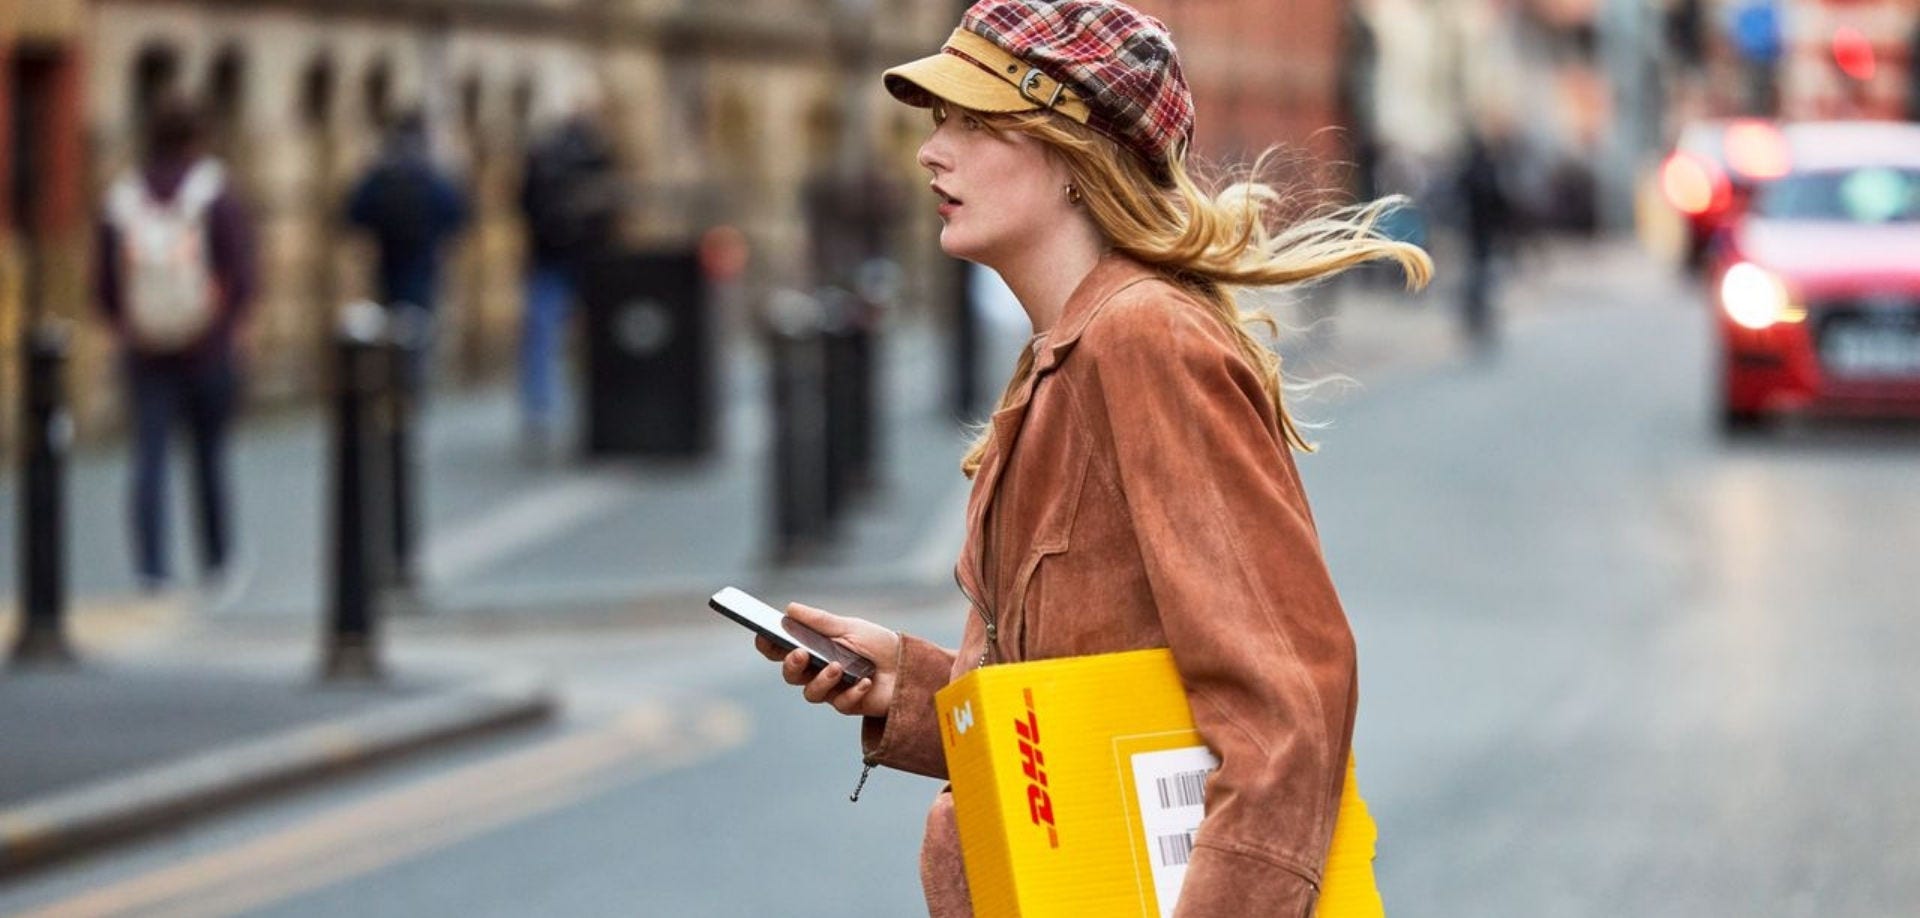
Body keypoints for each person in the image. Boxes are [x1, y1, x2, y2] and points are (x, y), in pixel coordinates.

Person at [752, 2, 1431, 915]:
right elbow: (1087, 699)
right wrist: (906, 686)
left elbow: (1285, 705)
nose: (930, 151)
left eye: (970, 122)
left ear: (1072, 156)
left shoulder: (1145, 341)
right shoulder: (1061, 353)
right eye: (936, 121)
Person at [96, 98, 257, 595]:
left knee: (149, 458)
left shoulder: (123, 199)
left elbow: (104, 284)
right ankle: (218, 562)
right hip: (207, 349)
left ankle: (152, 568)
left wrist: (129, 324)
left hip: (145, 351)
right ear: (197, 138)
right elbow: (243, 274)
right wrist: (226, 327)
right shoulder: (216, 195)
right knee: (209, 455)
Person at [516, 88, 620, 455]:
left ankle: (541, 410)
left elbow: (523, 203)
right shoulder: (597, 154)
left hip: (549, 258)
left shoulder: (543, 156)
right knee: (587, 339)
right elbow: (612, 210)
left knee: (542, 339)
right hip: (585, 262)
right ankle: (590, 407)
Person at [346, 110, 470, 387]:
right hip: (423, 265)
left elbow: (354, 212)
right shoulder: (429, 172)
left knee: (389, 329)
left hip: (388, 264)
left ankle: (393, 382)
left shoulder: (381, 172)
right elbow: (457, 213)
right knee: (418, 330)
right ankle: (410, 387)